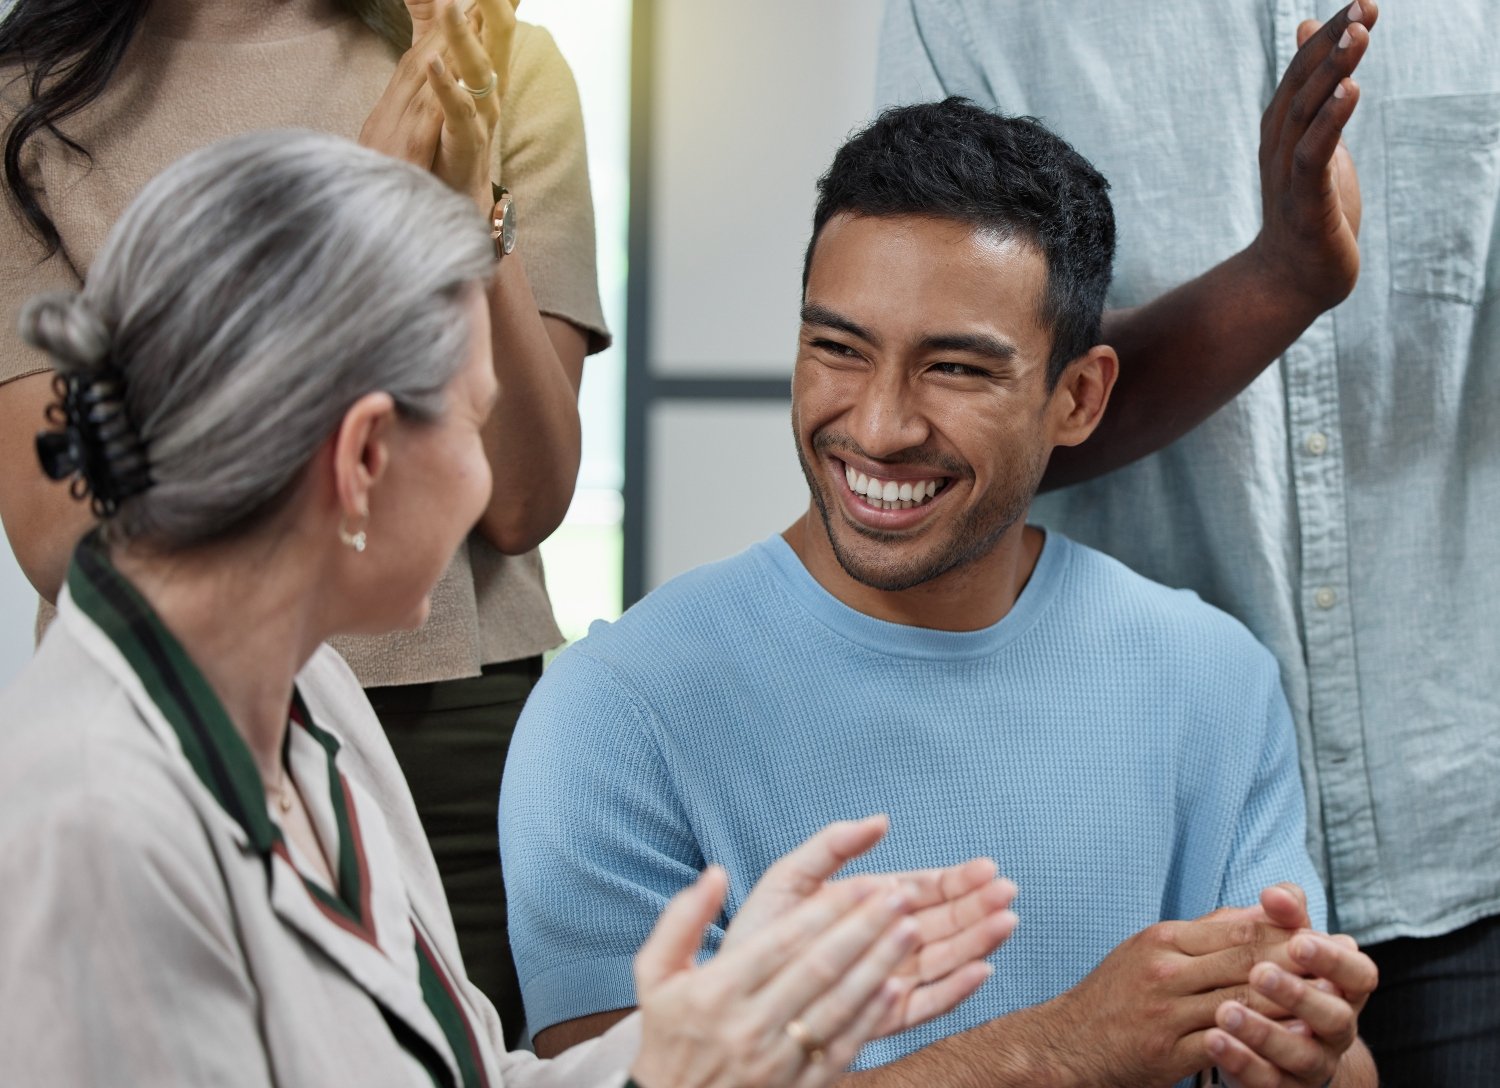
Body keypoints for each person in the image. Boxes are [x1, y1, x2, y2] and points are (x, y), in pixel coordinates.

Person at [0, 127, 1019, 1086]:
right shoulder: (96, 824)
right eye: (475, 422)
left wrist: (685, 1042)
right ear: (363, 456)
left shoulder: (306, 690)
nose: (487, 484)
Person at [499, 100, 1380, 1088]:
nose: (877, 426)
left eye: (954, 367)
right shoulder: (614, 712)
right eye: (838, 348)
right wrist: (1057, 1048)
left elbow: (1318, 1058)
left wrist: (1315, 1054)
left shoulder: (1210, 674)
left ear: (1078, 398)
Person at [874, 1, 1499, 1081]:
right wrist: (1279, 282)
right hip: (1149, 868)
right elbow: (950, 414)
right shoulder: (972, 14)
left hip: (1464, 824)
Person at [0, 0, 598, 1033]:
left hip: (455, 735)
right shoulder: (30, 101)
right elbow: (66, 529)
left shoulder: (488, 60)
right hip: (175, 705)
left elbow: (518, 499)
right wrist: (355, 239)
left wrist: (460, 209)